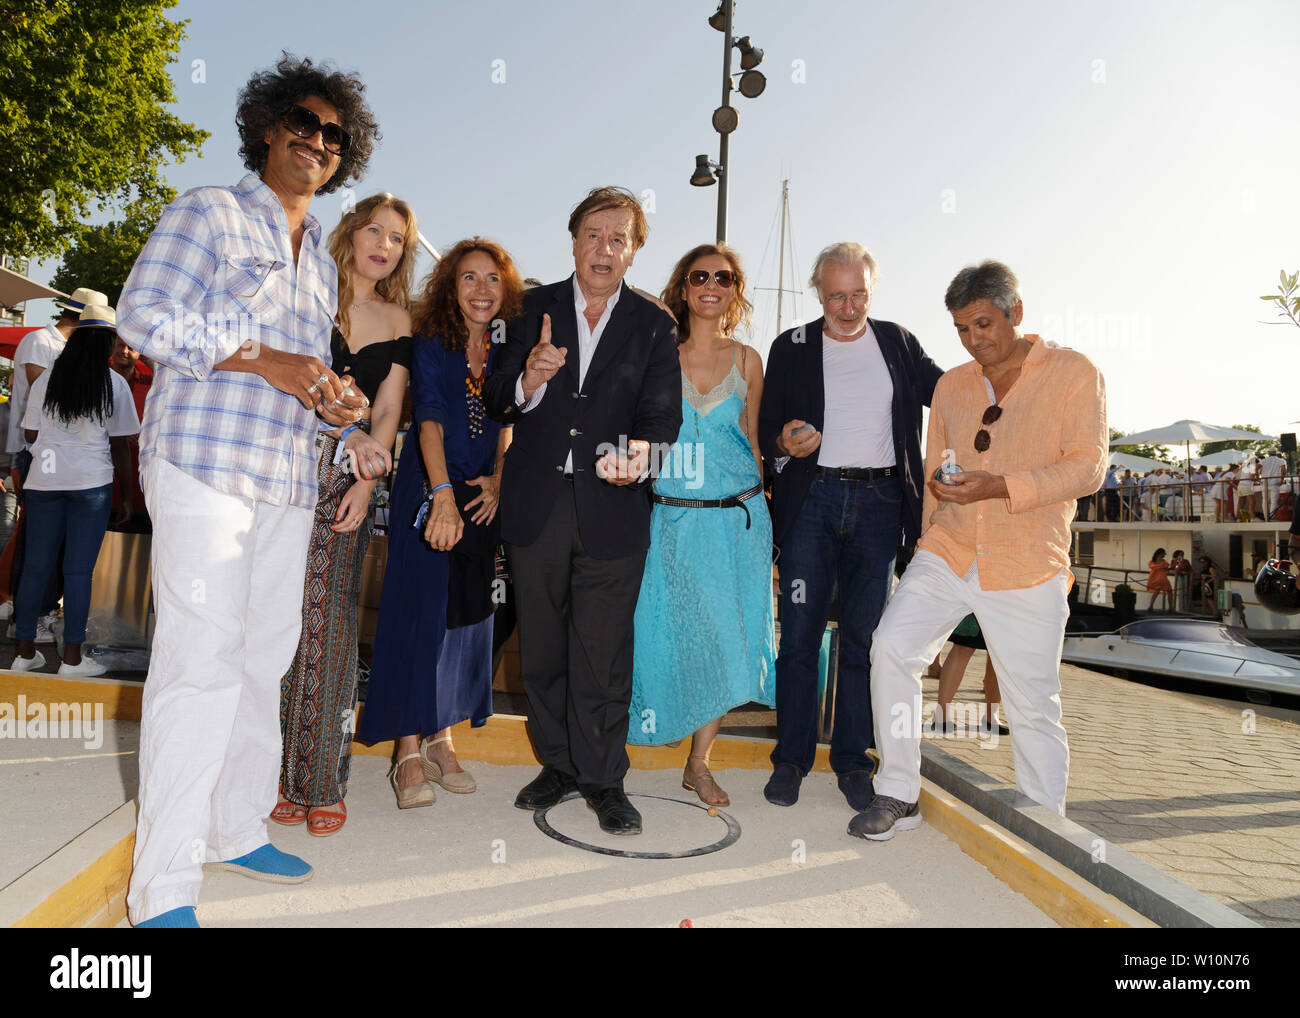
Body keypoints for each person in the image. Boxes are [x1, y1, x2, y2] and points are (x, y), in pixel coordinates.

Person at [117, 55, 387, 928]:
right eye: (302, 124)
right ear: (268, 128)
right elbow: (143, 315)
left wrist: (340, 414)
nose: (317, 141)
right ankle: (160, 889)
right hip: (202, 463)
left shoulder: (319, 267)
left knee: (263, 657)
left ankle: (233, 828)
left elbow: (301, 386)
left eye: (333, 135)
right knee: (198, 665)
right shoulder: (209, 210)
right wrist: (270, 360)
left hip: (283, 479)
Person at [853, 260, 1106, 840]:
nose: (973, 340)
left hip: (1027, 558)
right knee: (891, 647)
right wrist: (927, 530)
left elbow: (1088, 467)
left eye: (984, 324)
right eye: (963, 329)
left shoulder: (1074, 373)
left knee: (1032, 703)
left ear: (1016, 313)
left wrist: (1001, 485)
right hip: (950, 545)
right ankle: (898, 792)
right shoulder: (951, 385)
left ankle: (1043, 829)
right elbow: (931, 464)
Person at [483, 186, 681, 836]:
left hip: (614, 508)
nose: (604, 248)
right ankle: (560, 765)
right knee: (541, 649)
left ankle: (603, 779)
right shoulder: (527, 309)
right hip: (538, 505)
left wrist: (639, 456)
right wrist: (527, 380)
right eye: (593, 234)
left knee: (602, 653)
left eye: (618, 238)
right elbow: (497, 397)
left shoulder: (655, 327)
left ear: (633, 250)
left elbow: (660, 420)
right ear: (573, 240)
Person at [757, 241, 943, 812]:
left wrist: (1014, 365)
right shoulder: (789, 347)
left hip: (881, 502)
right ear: (818, 292)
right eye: (836, 295)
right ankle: (790, 759)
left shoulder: (898, 341)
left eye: (858, 294)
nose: (847, 307)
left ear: (871, 290)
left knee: (865, 641)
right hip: (810, 502)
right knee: (800, 638)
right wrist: (785, 444)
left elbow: (947, 391)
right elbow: (766, 431)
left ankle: (851, 760)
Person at [358, 237, 523, 808]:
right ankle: (407, 749)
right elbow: (426, 419)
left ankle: (442, 736)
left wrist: (500, 478)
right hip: (432, 490)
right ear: (452, 288)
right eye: (469, 278)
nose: (481, 290)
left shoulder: (505, 350)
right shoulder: (433, 340)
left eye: (492, 279)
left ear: (506, 290)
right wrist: (444, 495)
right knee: (419, 615)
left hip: (483, 493)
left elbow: (505, 421)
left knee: (465, 619)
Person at [272, 194, 419, 835]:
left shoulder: (400, 320)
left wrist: (367, 480)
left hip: (345, 480)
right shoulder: (307, 294)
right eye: (375, 230)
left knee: (327, 625)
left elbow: (386, 412)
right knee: (271, 618)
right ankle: (272, 772)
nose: (384, 245)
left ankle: (321, 781)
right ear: (351, 233)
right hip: (276, 472)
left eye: (398, 238)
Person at [627, 243, 775, 806]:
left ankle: (699, 763)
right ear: (684, 287)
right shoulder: (658, 354)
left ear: (736, 290)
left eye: (725, 277)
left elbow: (753, 443)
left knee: (722, 642)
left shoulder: (748, 361)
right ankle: (631, 735)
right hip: (669, 521)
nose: (712, 284)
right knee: (660, 634)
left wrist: (767, 526)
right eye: (699, 276)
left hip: (736, 522)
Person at [11, 304, 139, 676]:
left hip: (44, 483)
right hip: (90, 485)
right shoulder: (114, 383)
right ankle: (71, 660)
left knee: (35, 567)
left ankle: (24, 653)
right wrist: (127, 496)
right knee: (78, 573)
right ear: (107, 343)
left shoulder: (46, 379)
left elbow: (31, 433)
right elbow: (120, 445)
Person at [6, 287, 107, 637]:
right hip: (38, 455)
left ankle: (42, 614)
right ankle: (25, 619)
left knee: (56, 550)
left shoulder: (69, 352)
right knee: (35, 548)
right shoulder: (40, 341)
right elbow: (47, 405)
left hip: (63, 458)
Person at [929, 616, 1006, 735]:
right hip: (978, 600)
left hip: (1008, 603)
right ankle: (941, 714)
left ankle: (992, 715)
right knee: (964, 645)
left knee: (998, 653)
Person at [109, 335, 154, 532]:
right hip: (105, 474)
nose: (124, 351)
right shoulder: (98, 380)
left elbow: (172, 379)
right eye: (120, 345)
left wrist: (148, 357)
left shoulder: (150, 382)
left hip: (141, 477)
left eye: (131, 347)